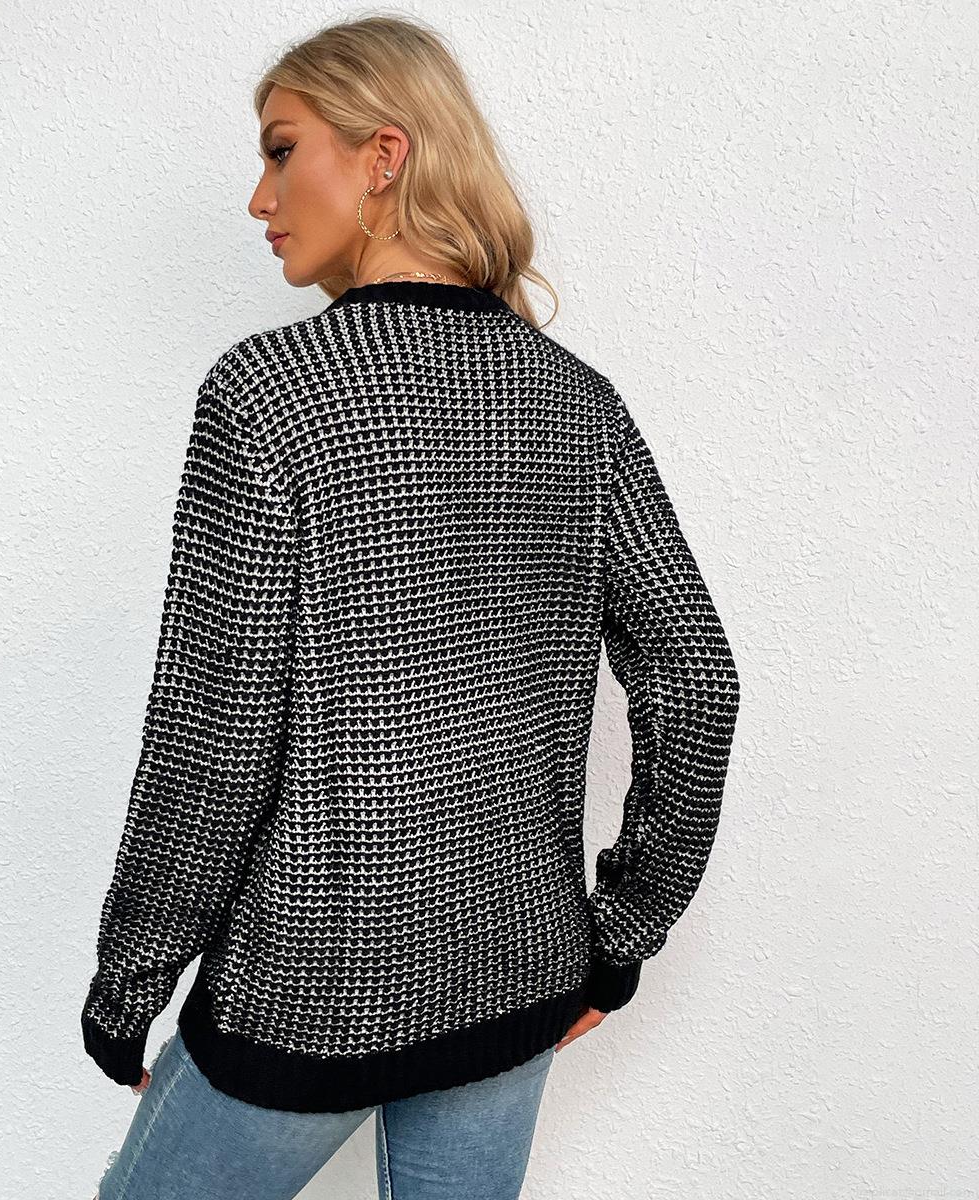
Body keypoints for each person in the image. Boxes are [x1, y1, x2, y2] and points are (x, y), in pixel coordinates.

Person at [83, 15, 740, 1200]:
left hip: (309, 991)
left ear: (383, 155)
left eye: (282, 150)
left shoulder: (269, 396)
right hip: (519, 969)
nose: (259, 198)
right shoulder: (576, 404)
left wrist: (129, 983)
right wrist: (618, 934)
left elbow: (211, 736)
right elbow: (696, 674)